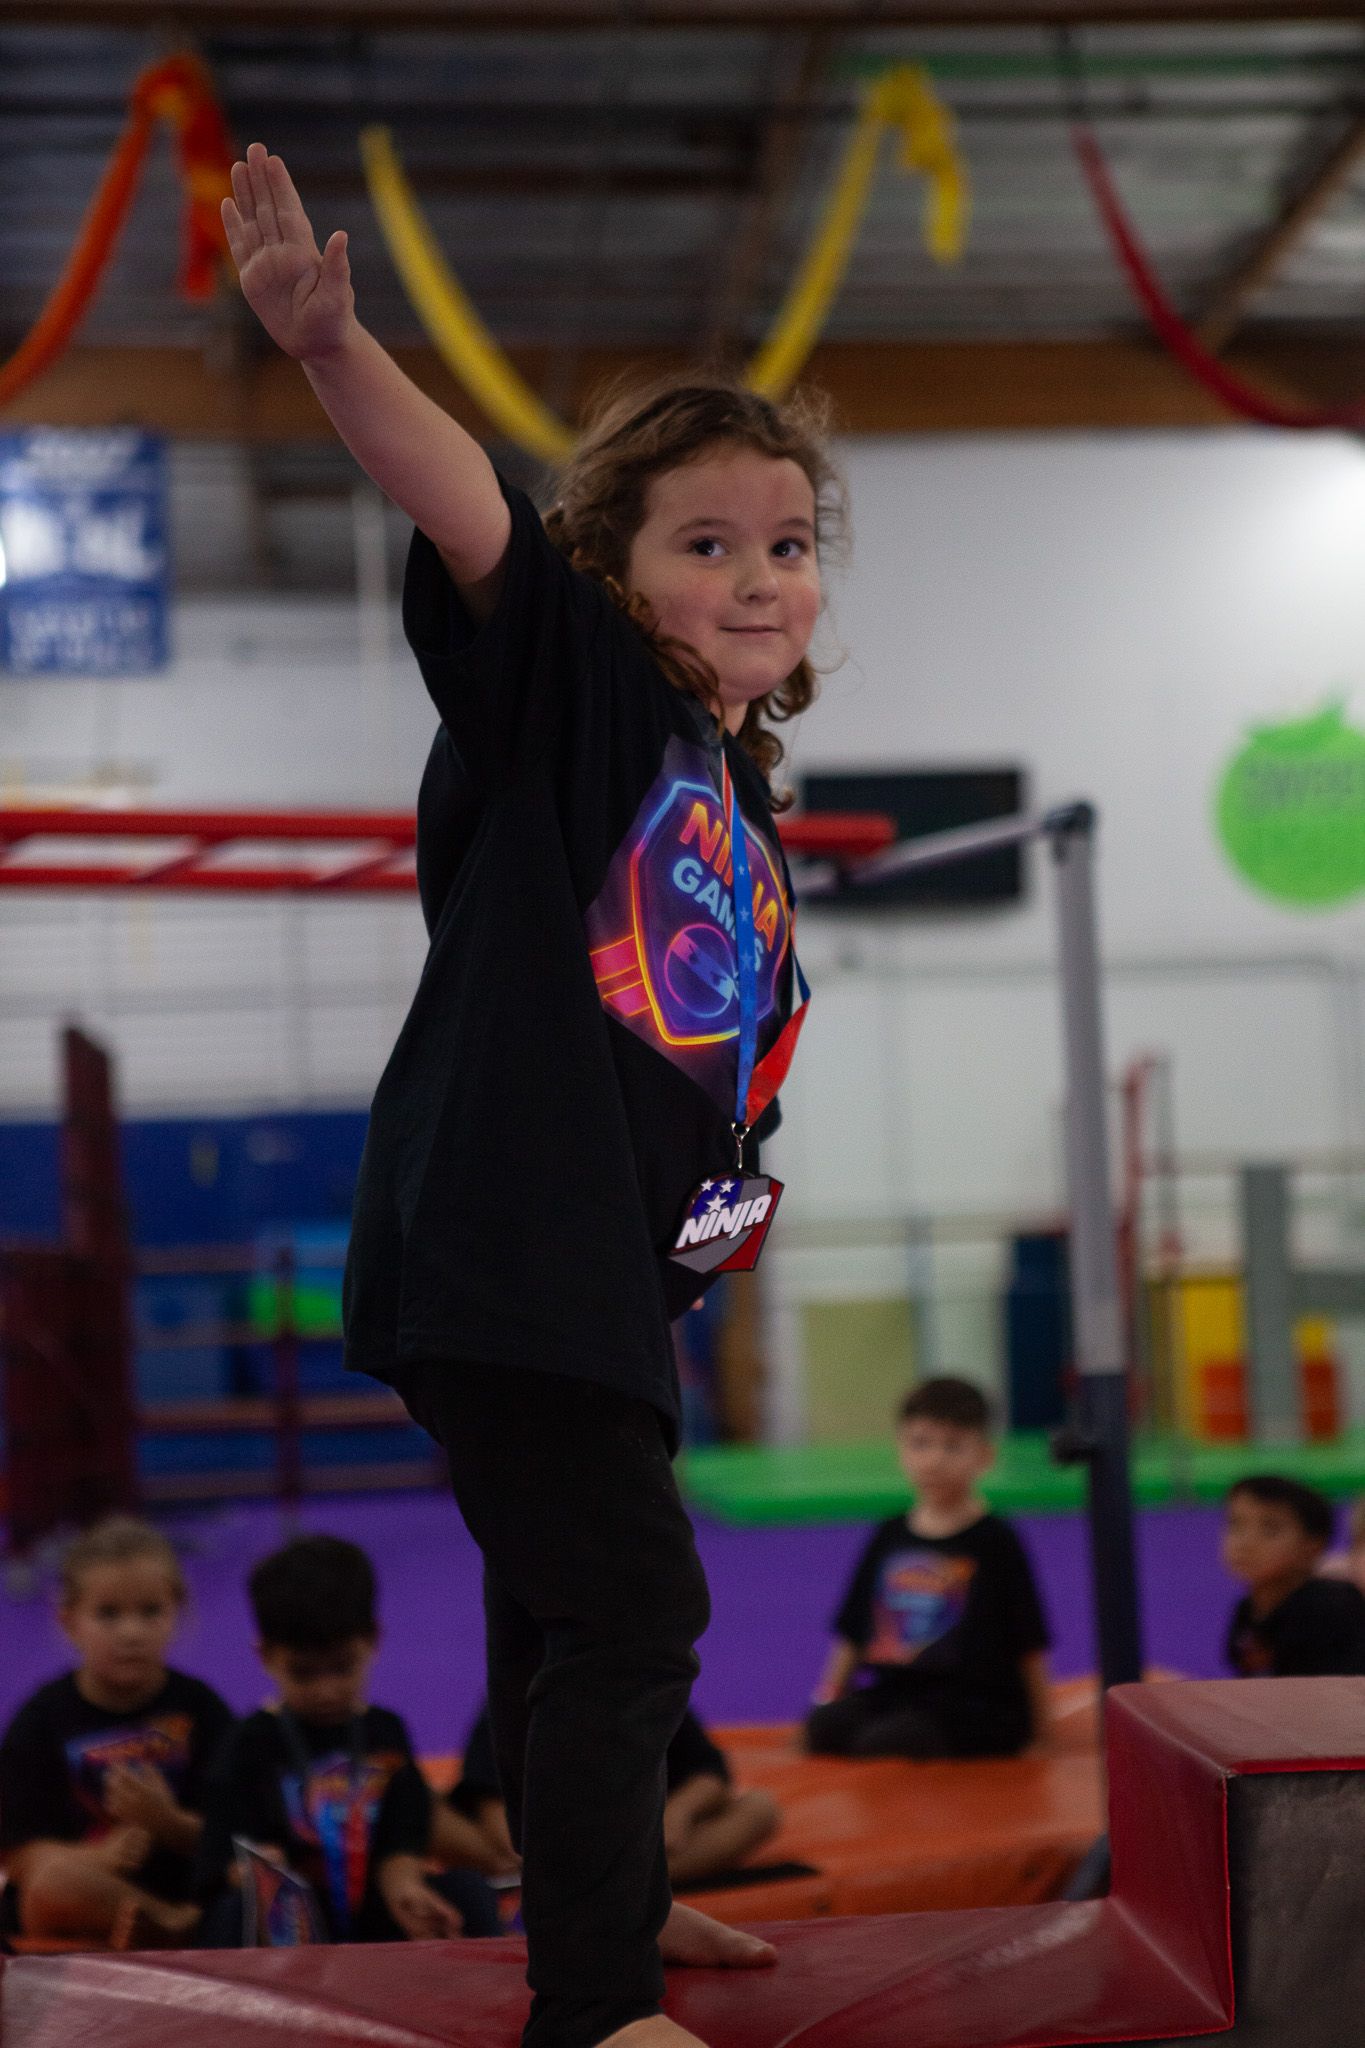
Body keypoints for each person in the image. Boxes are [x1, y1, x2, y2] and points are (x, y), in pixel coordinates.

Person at [222, 141, 833, 2048]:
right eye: (706, 542)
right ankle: (589, 2002)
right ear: (616, 570)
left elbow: (708, 1045)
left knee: (563, 1607)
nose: (755, 576)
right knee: (636, 1608)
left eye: (788, 542)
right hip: (508, 1244)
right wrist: (335, 358)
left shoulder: (739, 796)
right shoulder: (584, 698)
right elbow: (474, 511)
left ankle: (616, 1910)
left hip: (598, 1282)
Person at [196, 1533, 498, 1945]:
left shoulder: (385, 1731)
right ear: (265, 1655)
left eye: (342, 1668)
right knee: (231, 1913)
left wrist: (404, 1887)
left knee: (469, 1892)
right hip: (286, 1924)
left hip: (375, 1916)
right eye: (303, 1673)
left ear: (373, 1639)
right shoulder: (248, 1743)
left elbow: (404, 1834)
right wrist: (255, 1871)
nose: (326, 1690)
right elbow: (216, 1857)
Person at [0, 1516, 233, 1950]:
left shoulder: (201, 1709)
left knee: (251, 1870)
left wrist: (169, 1823)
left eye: (150, 1612)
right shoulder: (41, 1720)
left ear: (176, 1612)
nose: (131, 1632)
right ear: (70, 1621)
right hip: (88, 1891)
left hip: (184, 1887)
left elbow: (238, 1832)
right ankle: (171, 1927)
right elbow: (18, 1855)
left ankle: (175, 1923)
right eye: (108, 1614)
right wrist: (97, 1857)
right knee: (53, 1880)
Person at [805, 1377, 1053, 1759]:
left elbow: (1029, 1641)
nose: (935, 1459)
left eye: (952, 1446)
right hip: (900, 1691)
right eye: (921, 1443)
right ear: (901, 1450)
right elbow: (854, 1629)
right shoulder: (890, 1533)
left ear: (984, 1456)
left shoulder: (995, 1540)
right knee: (824, 1729)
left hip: (977, 1702)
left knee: (893, 1740)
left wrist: (1042, 1732)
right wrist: (828, 1696)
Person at [436, 1705, 780, 1892]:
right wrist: (521, 1848)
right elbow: (488, 1798)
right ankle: (599, 1887)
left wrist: (679, 1812)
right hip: (543, 1854)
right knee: (426, 1809)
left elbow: (710, 1774)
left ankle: (605, 1887)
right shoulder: (518, 1697)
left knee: (759, 1809)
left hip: (637, 1848)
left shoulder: (649, 1689)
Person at [1222, 1475, 1365, 1677]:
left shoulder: (1334, 1608)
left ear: (1312, 1547)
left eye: (1270, 1529)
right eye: (1236, 1524)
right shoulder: (1246, 1611)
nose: (1245, 1543)